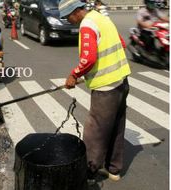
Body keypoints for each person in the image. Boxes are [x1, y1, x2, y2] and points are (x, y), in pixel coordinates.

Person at [59, 0, 131, 184]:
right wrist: (91, 74)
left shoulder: (87, 25)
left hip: (106, 88)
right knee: (116, 127)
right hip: (121, 81)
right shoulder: (101, 18)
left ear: (75, 11)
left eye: (68, 17)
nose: (69, 21)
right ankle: (114, 170)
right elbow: (120, 43)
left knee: (95, 132)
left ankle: (89, 173)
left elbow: (89, 58)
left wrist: (74, 75)